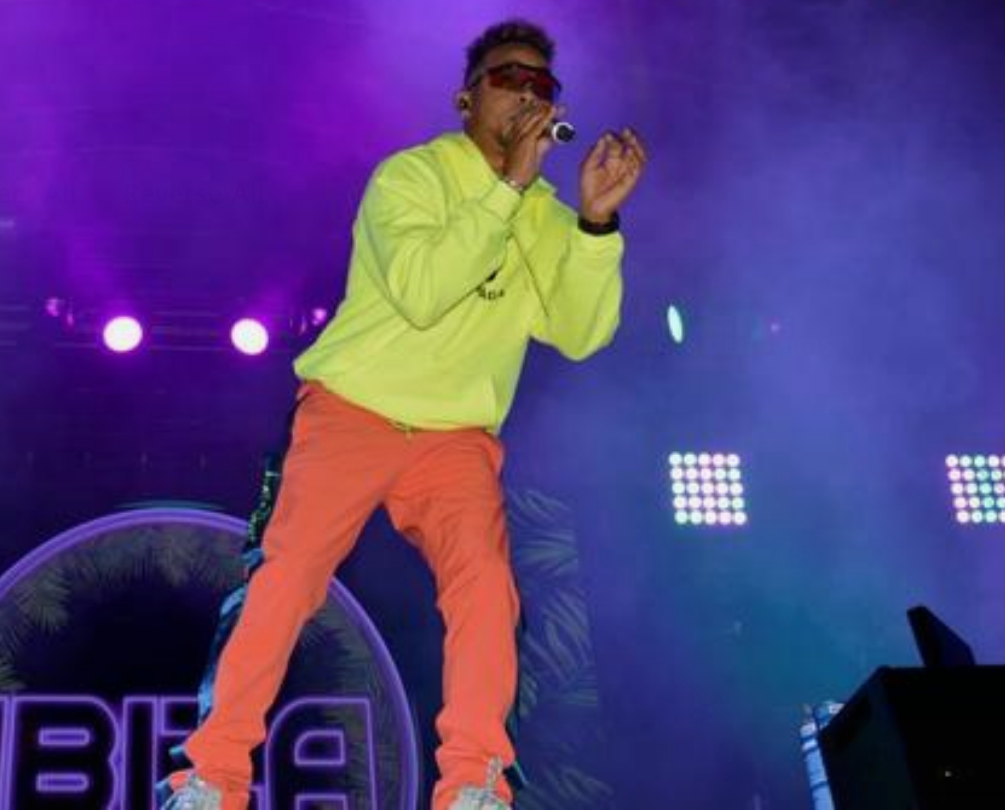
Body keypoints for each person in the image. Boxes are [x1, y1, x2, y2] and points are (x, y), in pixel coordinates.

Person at [162, 18, 646, 810]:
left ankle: (476, 781)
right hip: (351, 410)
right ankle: (209, 778)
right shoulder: (409, 178)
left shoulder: (549, 213)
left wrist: (595, 225)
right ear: (466, 98)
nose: (527, 92)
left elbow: (583, 333)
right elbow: (422, 292)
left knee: (487, 587)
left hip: (455, 438)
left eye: (542, 84)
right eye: (506, 78)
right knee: (285, 579)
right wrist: (507, 189)